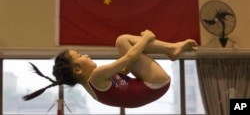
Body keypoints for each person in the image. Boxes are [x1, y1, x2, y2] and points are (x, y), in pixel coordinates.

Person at [23, 30, 198, 108]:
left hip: (150, 87)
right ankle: (172, 49)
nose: (86, 56)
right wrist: (146, 38)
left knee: (125, 43)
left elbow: (124, 73)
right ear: (78, 70)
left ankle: (172, 49)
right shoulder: (96, 76)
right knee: (122, 41)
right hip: (154, 84)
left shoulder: (96, 84)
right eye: (80, 56)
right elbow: (129, 58)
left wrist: (135, 56)